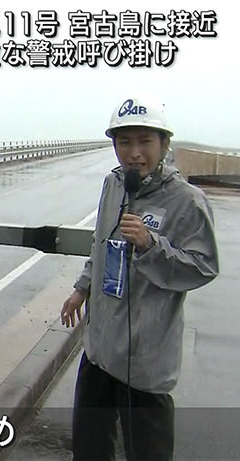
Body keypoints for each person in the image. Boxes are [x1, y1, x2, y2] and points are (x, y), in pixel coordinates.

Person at [60, 94, 220, 460]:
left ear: (164, 143)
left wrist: (151, 245)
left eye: (145, 141)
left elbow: (203, 267)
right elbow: (100, 245)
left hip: (145, 366)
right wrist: (81, 288)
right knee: (88, 450)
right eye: (124, 142)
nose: (134, 153)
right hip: (99, 353)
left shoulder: (186, 202)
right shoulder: (114, 184)